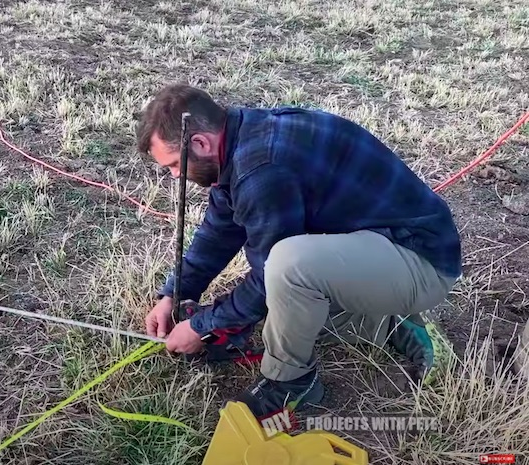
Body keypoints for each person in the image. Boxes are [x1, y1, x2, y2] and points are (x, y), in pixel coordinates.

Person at [136, 83, 461, 420]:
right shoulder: (241, 138)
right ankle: (390, 323)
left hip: (420, 264)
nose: (175, 175)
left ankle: (292, 382)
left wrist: (202, 326)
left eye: (174, 164)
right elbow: (218, 232)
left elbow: (268, 277)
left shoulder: (262, 169)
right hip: (378, 249)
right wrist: (175, 294)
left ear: (200, 143)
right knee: (286, 305)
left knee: (288, 268)